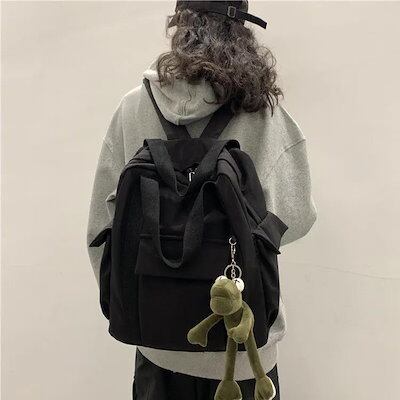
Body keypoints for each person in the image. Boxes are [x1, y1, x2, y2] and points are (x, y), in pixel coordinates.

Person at [87, 1, 317, 399]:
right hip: (242, 352)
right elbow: (298, 217)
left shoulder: (132, 107)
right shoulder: (262, 112)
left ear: (180, 24)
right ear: (242, 30)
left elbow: (101, 226)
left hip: (156, 349)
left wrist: (150, 298)